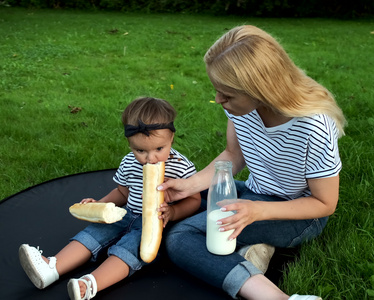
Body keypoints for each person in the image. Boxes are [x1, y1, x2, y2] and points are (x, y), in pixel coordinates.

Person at [159, 25, 346, 300]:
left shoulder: (313, 126)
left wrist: (257, 211)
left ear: (260, 89)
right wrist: (189, 186)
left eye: (227, 94)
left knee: (182, 237)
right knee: (185, 203)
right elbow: (233, 156)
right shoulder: (243, 108)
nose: (218, 100)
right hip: (253, 192)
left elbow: (325, 204)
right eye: (217, 91)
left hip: (300, 214)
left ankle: (277, 298)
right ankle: (254, 247)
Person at [19, 97, 201, 300]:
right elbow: (122, 193)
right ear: (130, 143)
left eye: (159, 149)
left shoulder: (182, 167)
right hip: (127, 214)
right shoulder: (129, 162)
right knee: (94, 232)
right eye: (140, 150)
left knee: (130, 249)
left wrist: (174, 212)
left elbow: (194, 200)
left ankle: (90, 284)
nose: (150, 158)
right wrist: (101, 204)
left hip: (156, 225)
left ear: (171, 138)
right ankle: (52, 267)